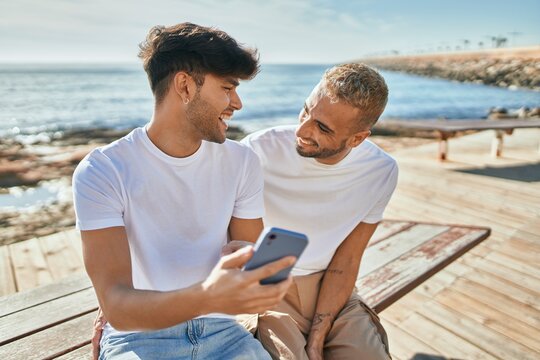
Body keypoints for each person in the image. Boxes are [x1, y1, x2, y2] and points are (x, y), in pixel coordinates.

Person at [73, 22, 295, 360]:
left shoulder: (241, 161)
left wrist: (255, 267)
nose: (237, 103)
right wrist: (208, 295)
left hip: (223, 332)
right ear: (185, 86)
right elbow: (117, 305)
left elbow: (254, 268)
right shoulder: (104, 170)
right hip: (138, 339)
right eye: (228, 88)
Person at [239, 63, 397, 359]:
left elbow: (348, 259)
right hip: (268, 284)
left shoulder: (381, 171)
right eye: (305, 110)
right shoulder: (257, 150)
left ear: (357, 139)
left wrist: (318, 335)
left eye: (322, 128)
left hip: (332, 288)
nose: (302, 130)